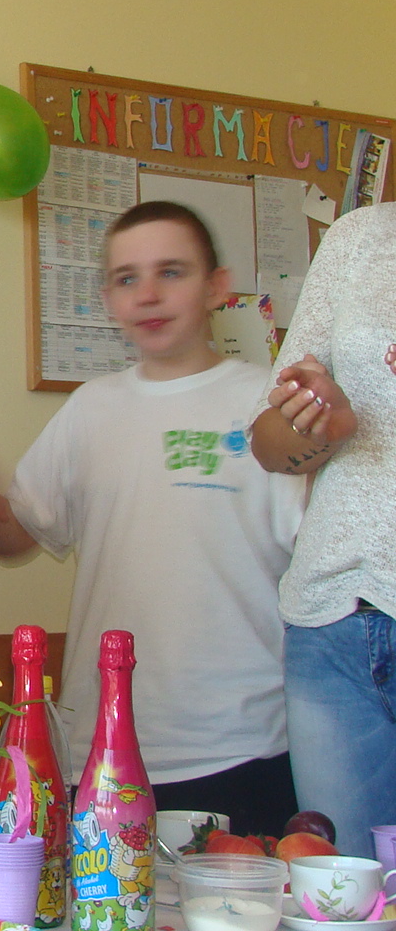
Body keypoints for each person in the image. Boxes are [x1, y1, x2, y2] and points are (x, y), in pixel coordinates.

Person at [0, 201, 304, 836]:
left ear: (217, 286)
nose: (148, 295)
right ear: (109, 300)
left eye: (172, 271)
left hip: (243, 746)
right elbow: (18, 536)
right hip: (100, 752)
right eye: (126, 278)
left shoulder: (267, 405)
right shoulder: (92, 409)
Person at [248, 199, 395, 859]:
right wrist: (319, 422)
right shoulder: (360, 236)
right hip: (334, 624)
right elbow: (268, 445)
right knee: (338, 896)